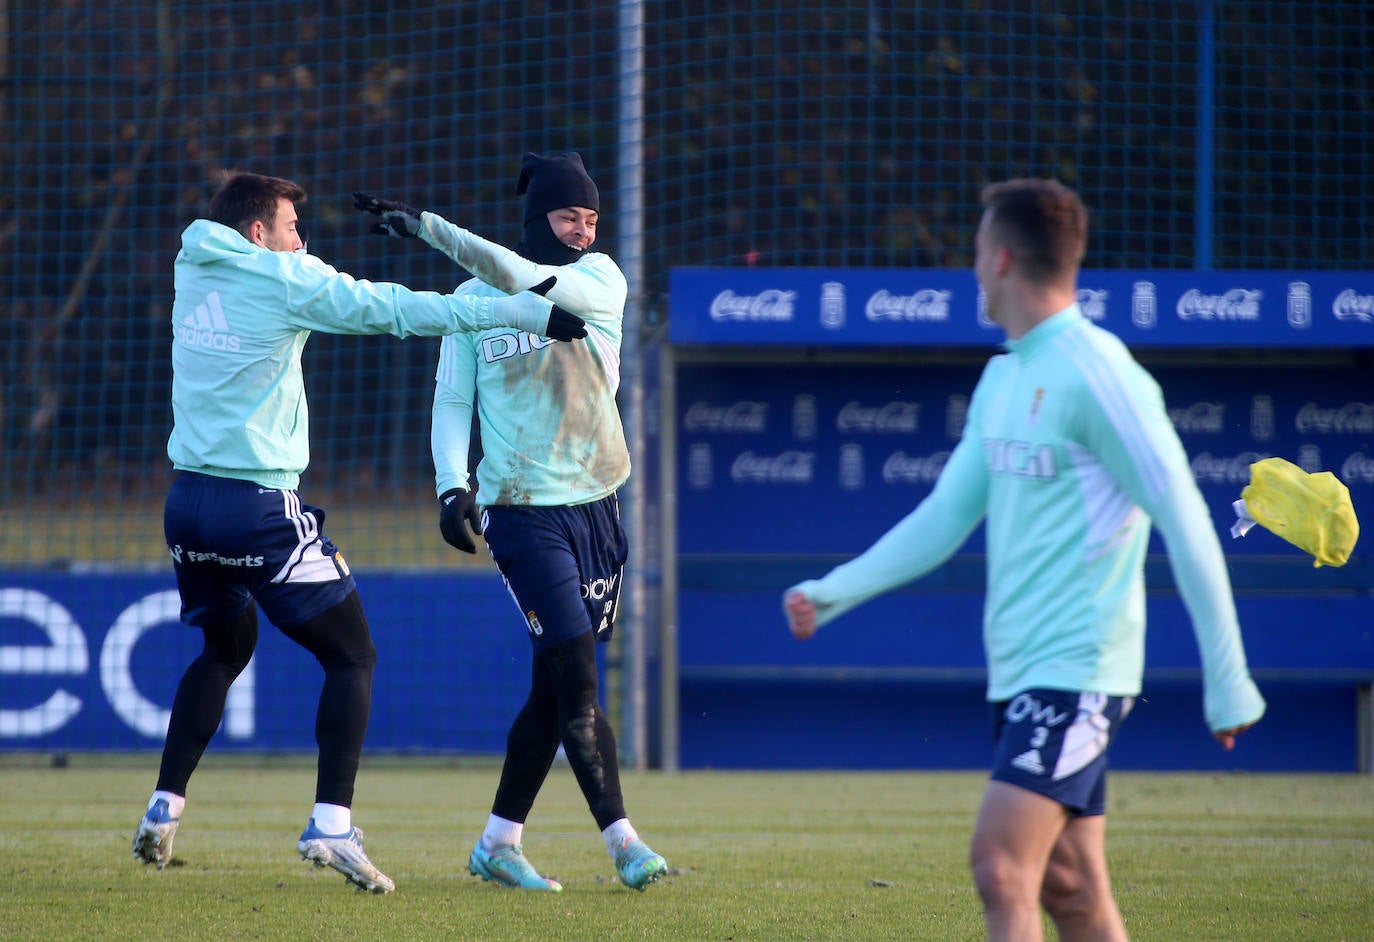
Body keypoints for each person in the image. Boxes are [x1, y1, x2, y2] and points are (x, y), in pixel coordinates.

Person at [782, 178, 1266, 941]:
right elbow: (944, 517)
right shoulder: (1006, 374)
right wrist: (833, 592)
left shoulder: (1101, 372)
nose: (972, 267)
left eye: (977, 251)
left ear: (1002, 259)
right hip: (1021, 672)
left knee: (1002, 867)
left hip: (1080, 670)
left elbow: (1186, 519)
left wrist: (1229, 679)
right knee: (1071, 890)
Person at [132, 171, 586, 894]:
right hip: (257, 506)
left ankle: (162, 809)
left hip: (186, 504)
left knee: (227, 645)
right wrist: (526, 317)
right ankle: (331, 826)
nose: (300, 241)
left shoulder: (194, 266)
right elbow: (391, 310)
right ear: (259, 235)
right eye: (291, 227)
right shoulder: (283, 280)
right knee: (354, 656)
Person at [353, 151, 668, 893]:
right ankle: (623, 842)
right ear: (537, 221)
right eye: (568, 217)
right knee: (576, 672)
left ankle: (498, 843)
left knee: (554, 690)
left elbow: (529, 285)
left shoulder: (599, 281)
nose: (582, 230)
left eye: (590, 218)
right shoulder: (469, 304)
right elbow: (453, 402)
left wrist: (431, 229)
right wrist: (450, 487)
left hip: (597, 503)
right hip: (521, 512)